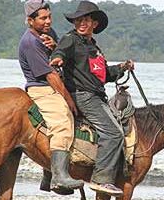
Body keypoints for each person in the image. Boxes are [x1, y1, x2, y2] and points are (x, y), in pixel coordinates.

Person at [50, 1, 134, 197]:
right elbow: (60, 51)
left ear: (94, 24)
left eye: (86, 20)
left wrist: (122, 67)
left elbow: (104, 75)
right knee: (114, 133)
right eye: (78, 20)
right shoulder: (71, 39)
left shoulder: (93, 47)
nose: (81, 23)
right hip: (83, 95)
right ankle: (102, 179)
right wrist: (58, 58)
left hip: (96, 95)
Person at [18, 0, 84, 194]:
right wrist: (69, 101)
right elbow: (50, 75)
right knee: (62, 123)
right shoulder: (30, 42)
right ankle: (57, 176)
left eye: (49, 17)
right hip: (42, 88)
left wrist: (55, 46)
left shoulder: (48, 34)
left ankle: (49, 172)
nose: (48, 21)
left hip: (53, 84)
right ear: (30, 21)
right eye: (43, 18)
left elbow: (56, 56)